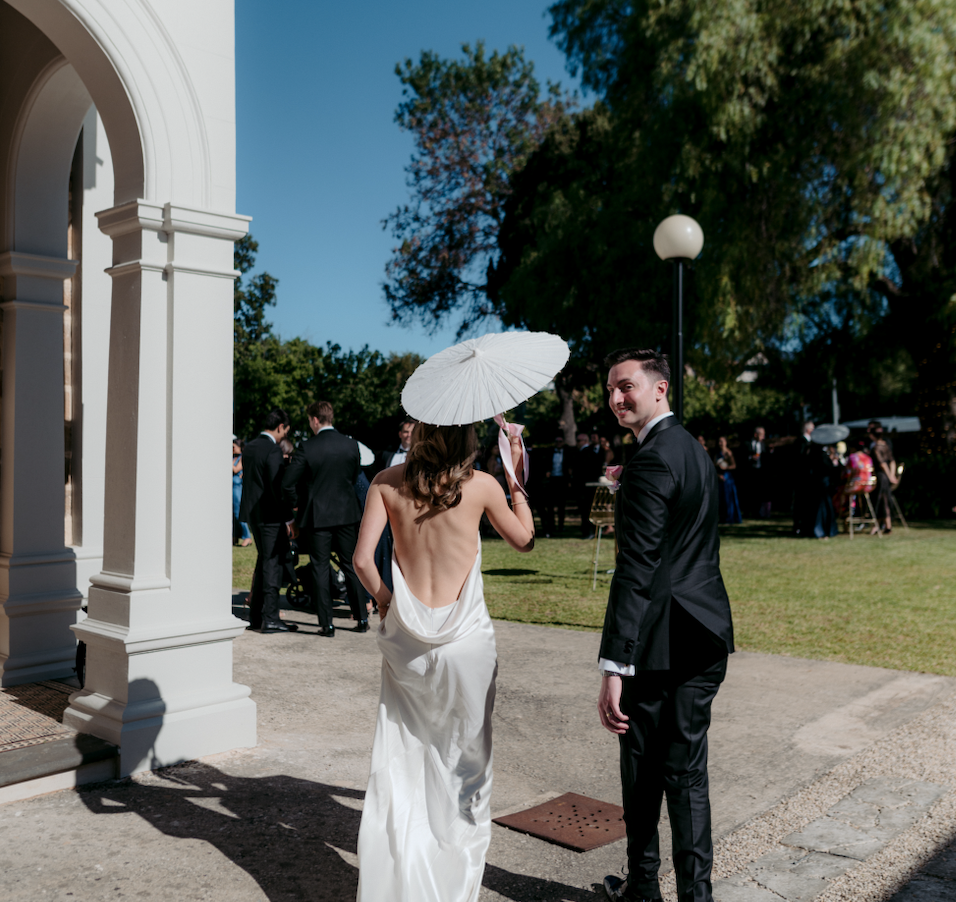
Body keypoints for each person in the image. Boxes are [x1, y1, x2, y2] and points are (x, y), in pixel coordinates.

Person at [353, 421, 534, 902]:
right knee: (466, 762)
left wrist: (388, 602)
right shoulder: (482, 487)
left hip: (407, 642)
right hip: (466, 646)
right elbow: (525, 540)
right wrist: (516, 479)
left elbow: (362, 561)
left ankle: (398, 877)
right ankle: (451, 880)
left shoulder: (386, 483)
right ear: (467, 438)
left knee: (404, 757)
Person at [597, 348, 733, 902]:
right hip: (705, 631)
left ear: (660, 388)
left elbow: (639, 565)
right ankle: (690, 896)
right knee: (687, 777)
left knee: (643, 771)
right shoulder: (691, 450)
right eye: (610, 390)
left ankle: (644, 890)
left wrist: (613, 662)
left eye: (626, 386)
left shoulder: (653, 458)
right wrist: (625, 488)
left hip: (660, 642)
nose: (615, 399)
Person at [281, 400, 367, 637]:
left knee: (320, 567)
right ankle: (361, 618)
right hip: (347, 513)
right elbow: (352, 477)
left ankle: (326, 624)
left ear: (315, 420)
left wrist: (297, 503)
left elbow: (288, 483)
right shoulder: (351, 445)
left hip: (318, 516)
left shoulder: (307, 447)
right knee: (350, 565)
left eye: (310, 420)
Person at [239, 409, 299, 633]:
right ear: (281, 426)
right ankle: (271, 618)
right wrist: (289, 517)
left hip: (253, 514)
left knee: (263, 561)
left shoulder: (251, 447)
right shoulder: (273, 450)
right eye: (286, 430)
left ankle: (256, 617)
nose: (285, 435)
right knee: (272, 565)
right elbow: (277, 487)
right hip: (271, 515)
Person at [534, 432, 571, 537]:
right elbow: (546, 464)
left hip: (562, 480)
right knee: (550, 505)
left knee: (561, 505)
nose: (558, 443)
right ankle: (551, 525)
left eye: (560, 441)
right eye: (556, 441)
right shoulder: (550, 452)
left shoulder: (567, 452)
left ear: (563, 442)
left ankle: (561, 525)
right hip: (552, 480)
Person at [870, 435, 898, 534]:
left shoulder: (876, 448)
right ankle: (887, 525)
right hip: (886, 476)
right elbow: (892, 461)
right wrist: (892, 474)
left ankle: (878, 526)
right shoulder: (886, 447)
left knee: (881, 501)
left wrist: (890, 476)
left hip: (881, 476)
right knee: (885, 500)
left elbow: (882, 463)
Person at [745, 426, 772, 519]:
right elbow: (742, 457)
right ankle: (748, 512)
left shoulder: (763, 445)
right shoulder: (747, 444)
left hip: (760, 472)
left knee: (759, 493)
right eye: (761, 435)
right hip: (750, 472)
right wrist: (750, 458)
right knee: (750, 492)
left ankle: (758, 513)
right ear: (755, 435)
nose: (763, 437)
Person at [715, 436, 742, 525]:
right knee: (721, 498)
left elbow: (734, 465)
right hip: (720, 478)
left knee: (728, 498)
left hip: (727, 478)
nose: (720, 443)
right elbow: (713, 466)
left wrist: (725, 467)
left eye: (722, 441)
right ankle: (722, 517)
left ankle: (730, 518)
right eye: (719, 441)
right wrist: (718, 474)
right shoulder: (717, 454)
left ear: (726, 442)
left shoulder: (728, 453)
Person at [232, 439, 252, 547]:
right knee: (231, 514)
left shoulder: (241, 458)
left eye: (233, 446)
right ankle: (235, 535)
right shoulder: (233, 458)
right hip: (231, 487)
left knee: (238, 512)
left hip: (237, 488)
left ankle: (247, 536)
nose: (232, 449)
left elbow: (235, 469)